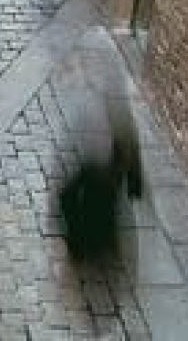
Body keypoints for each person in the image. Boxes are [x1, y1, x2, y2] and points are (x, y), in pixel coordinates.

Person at [57, 87, 143, 266]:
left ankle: (86, 242)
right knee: (99, 204)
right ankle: (95, 241)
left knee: (88, 201)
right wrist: (134, 184)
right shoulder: (115, 112)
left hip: (98, 171)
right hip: (102, 172)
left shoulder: (102, 110)